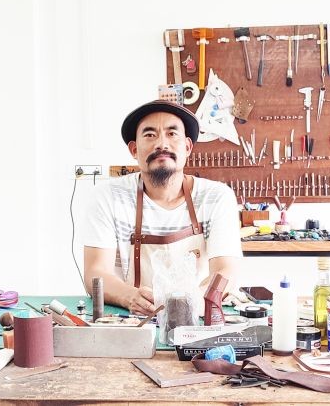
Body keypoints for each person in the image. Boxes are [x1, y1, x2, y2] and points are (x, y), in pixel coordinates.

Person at [81, 100, 242, 316]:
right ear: (134, 150)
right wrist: (130, 296)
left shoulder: (217, 197)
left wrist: (190, 304)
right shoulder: (107, 197)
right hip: (128, 320)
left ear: (187, 147)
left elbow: (226, 270)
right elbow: (95, 272)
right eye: (150, 135)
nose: (162, 144)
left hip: (196, 316)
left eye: (172, 133)